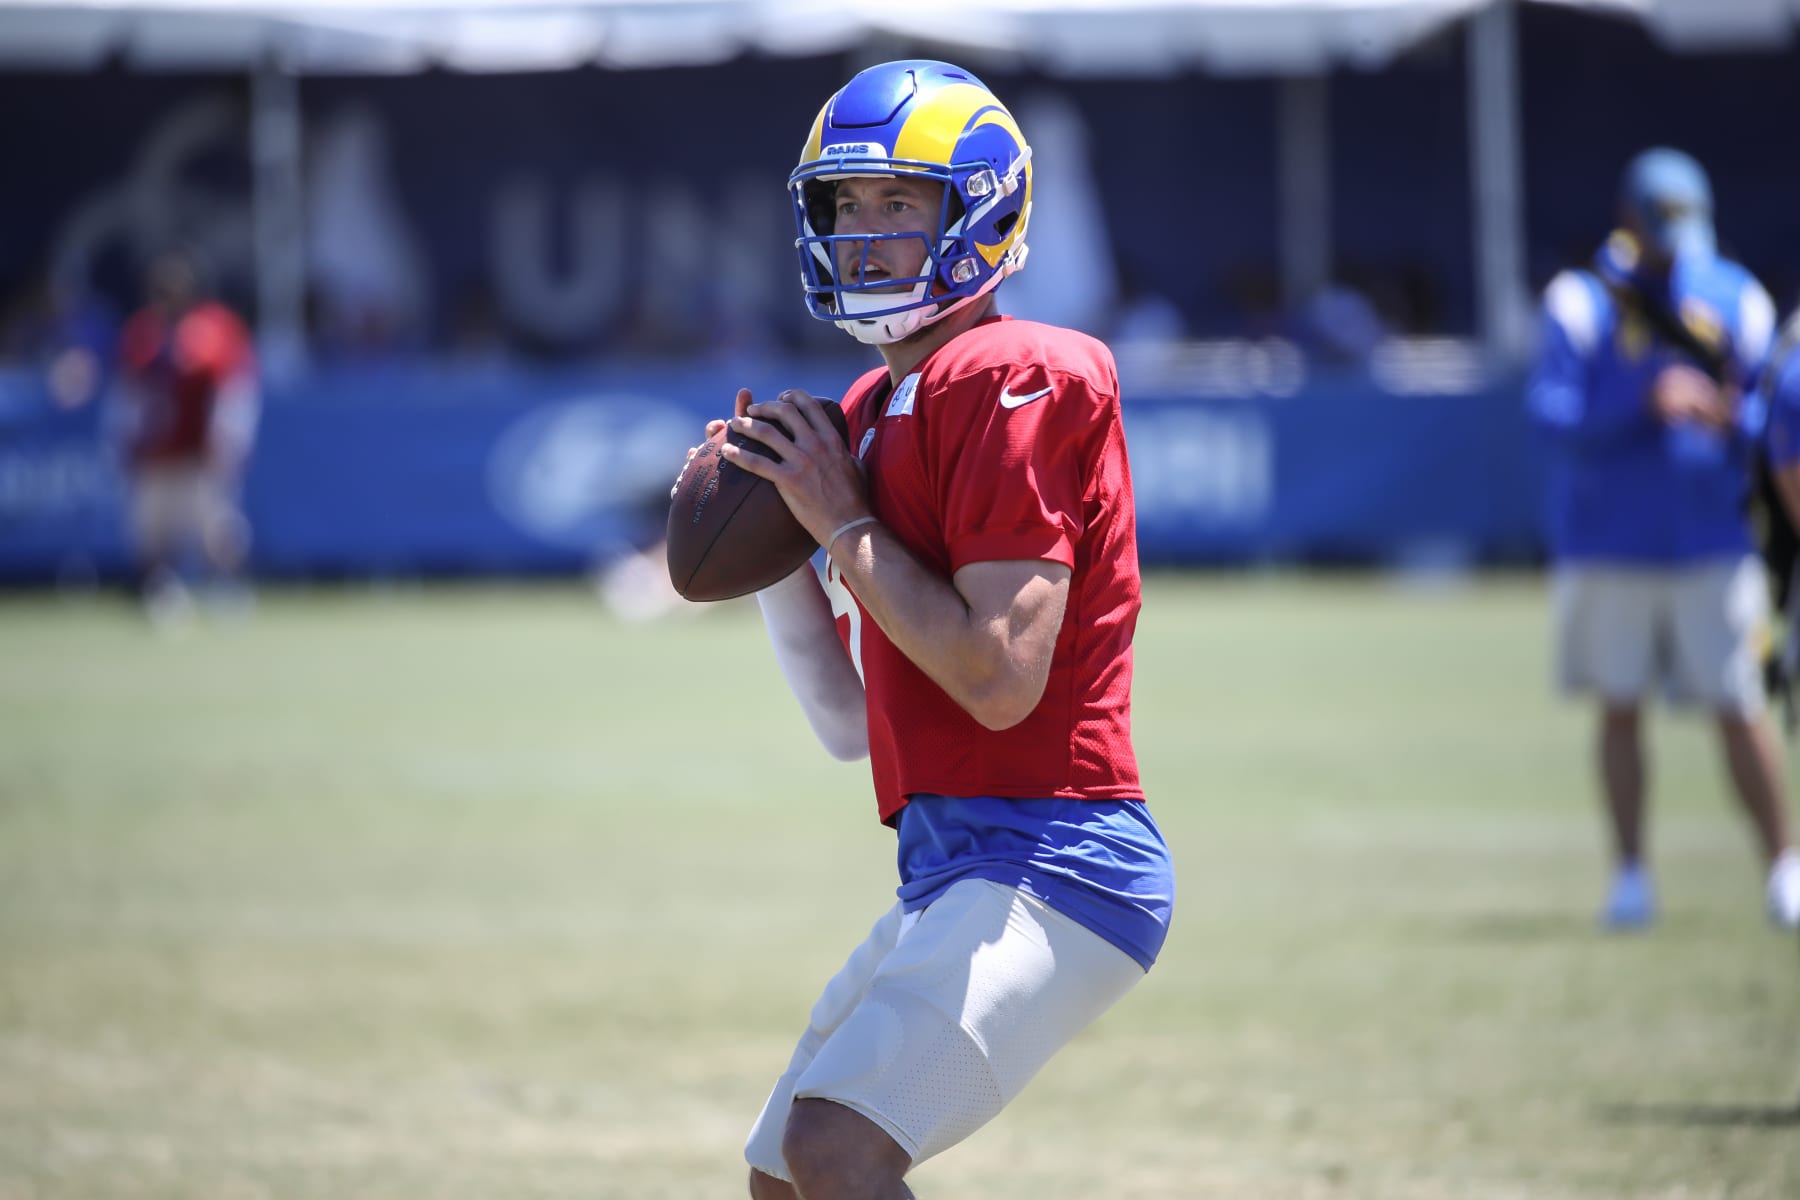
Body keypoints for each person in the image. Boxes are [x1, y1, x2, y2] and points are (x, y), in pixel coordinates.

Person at [698, 60, 1174, 1198]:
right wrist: (770, 549)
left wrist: (841, 518)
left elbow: (999, 677)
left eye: (899, 203)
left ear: (982, 212)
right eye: (845, 206)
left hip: (1059, 857)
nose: (863, 236)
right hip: (949, 865)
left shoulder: (1018, 374)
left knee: (838, 1148)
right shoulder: (869, 407)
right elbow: (850, 727)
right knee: (786, 1176)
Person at [1527, 147, 1800, 931]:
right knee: (1619, 708)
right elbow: (1550, 419)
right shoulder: (1580, 302)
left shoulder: (1736, 296)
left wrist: (1723, 415)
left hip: (1714, 539)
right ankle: (1631, 877)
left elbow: (1775, 417)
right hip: (1609, 542)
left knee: (1738, 704)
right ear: (1628, 221)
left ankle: (1783, 867)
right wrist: (1641, 401)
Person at [113, 249, 259, 621]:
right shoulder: (143, 332)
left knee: (216, 527)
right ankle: (161, 593)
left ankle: (226, 589)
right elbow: (129, 394)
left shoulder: (215, 328)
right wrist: (123, 441)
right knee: (151, 531)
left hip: (199, 450)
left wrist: (229, 439)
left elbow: (236, 389)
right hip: (156, 451)